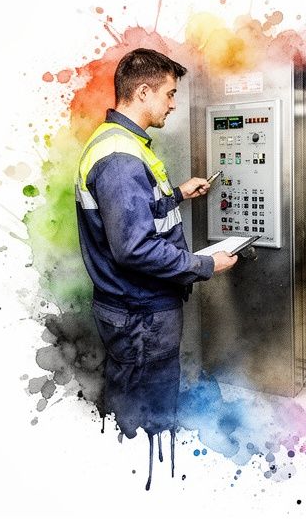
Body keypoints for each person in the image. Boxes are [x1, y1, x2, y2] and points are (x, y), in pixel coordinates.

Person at [74, 48, 238, 441]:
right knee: (146, 410)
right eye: (169, 94)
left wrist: (179, 193)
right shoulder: (120, 157)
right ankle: (148, 479)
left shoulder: (121, 144)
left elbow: (137, 214)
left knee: (137, 397)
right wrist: (205, 266)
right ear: (143, 92)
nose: (172, 103)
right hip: (139, 315)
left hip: (137, 311)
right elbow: (134, 248)